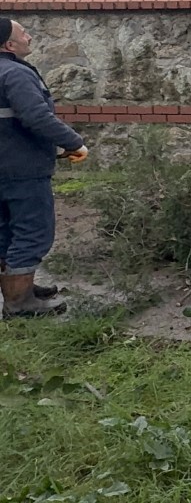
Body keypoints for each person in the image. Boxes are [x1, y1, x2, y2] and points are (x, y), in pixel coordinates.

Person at [0, 18, 87, 318]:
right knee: (32, 231)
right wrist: (74, 142)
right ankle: (19, 302)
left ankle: (19, 289)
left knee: (5, 231)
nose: (30, 36)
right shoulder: (15, 74)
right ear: (9, 45)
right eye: (24, 33)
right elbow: (37, 117)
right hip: (21, 168)